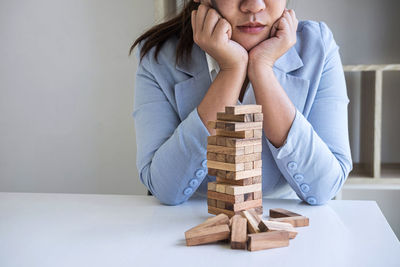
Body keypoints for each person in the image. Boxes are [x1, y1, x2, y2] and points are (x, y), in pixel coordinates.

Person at [129, 0, 352, 206]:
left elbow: (326, 187)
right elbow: (164, 188)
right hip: (187, 221)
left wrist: (262, 69)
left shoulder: (318, 45)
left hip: (284, 222)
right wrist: (231, 71)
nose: (254, 6)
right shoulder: (158, 56)